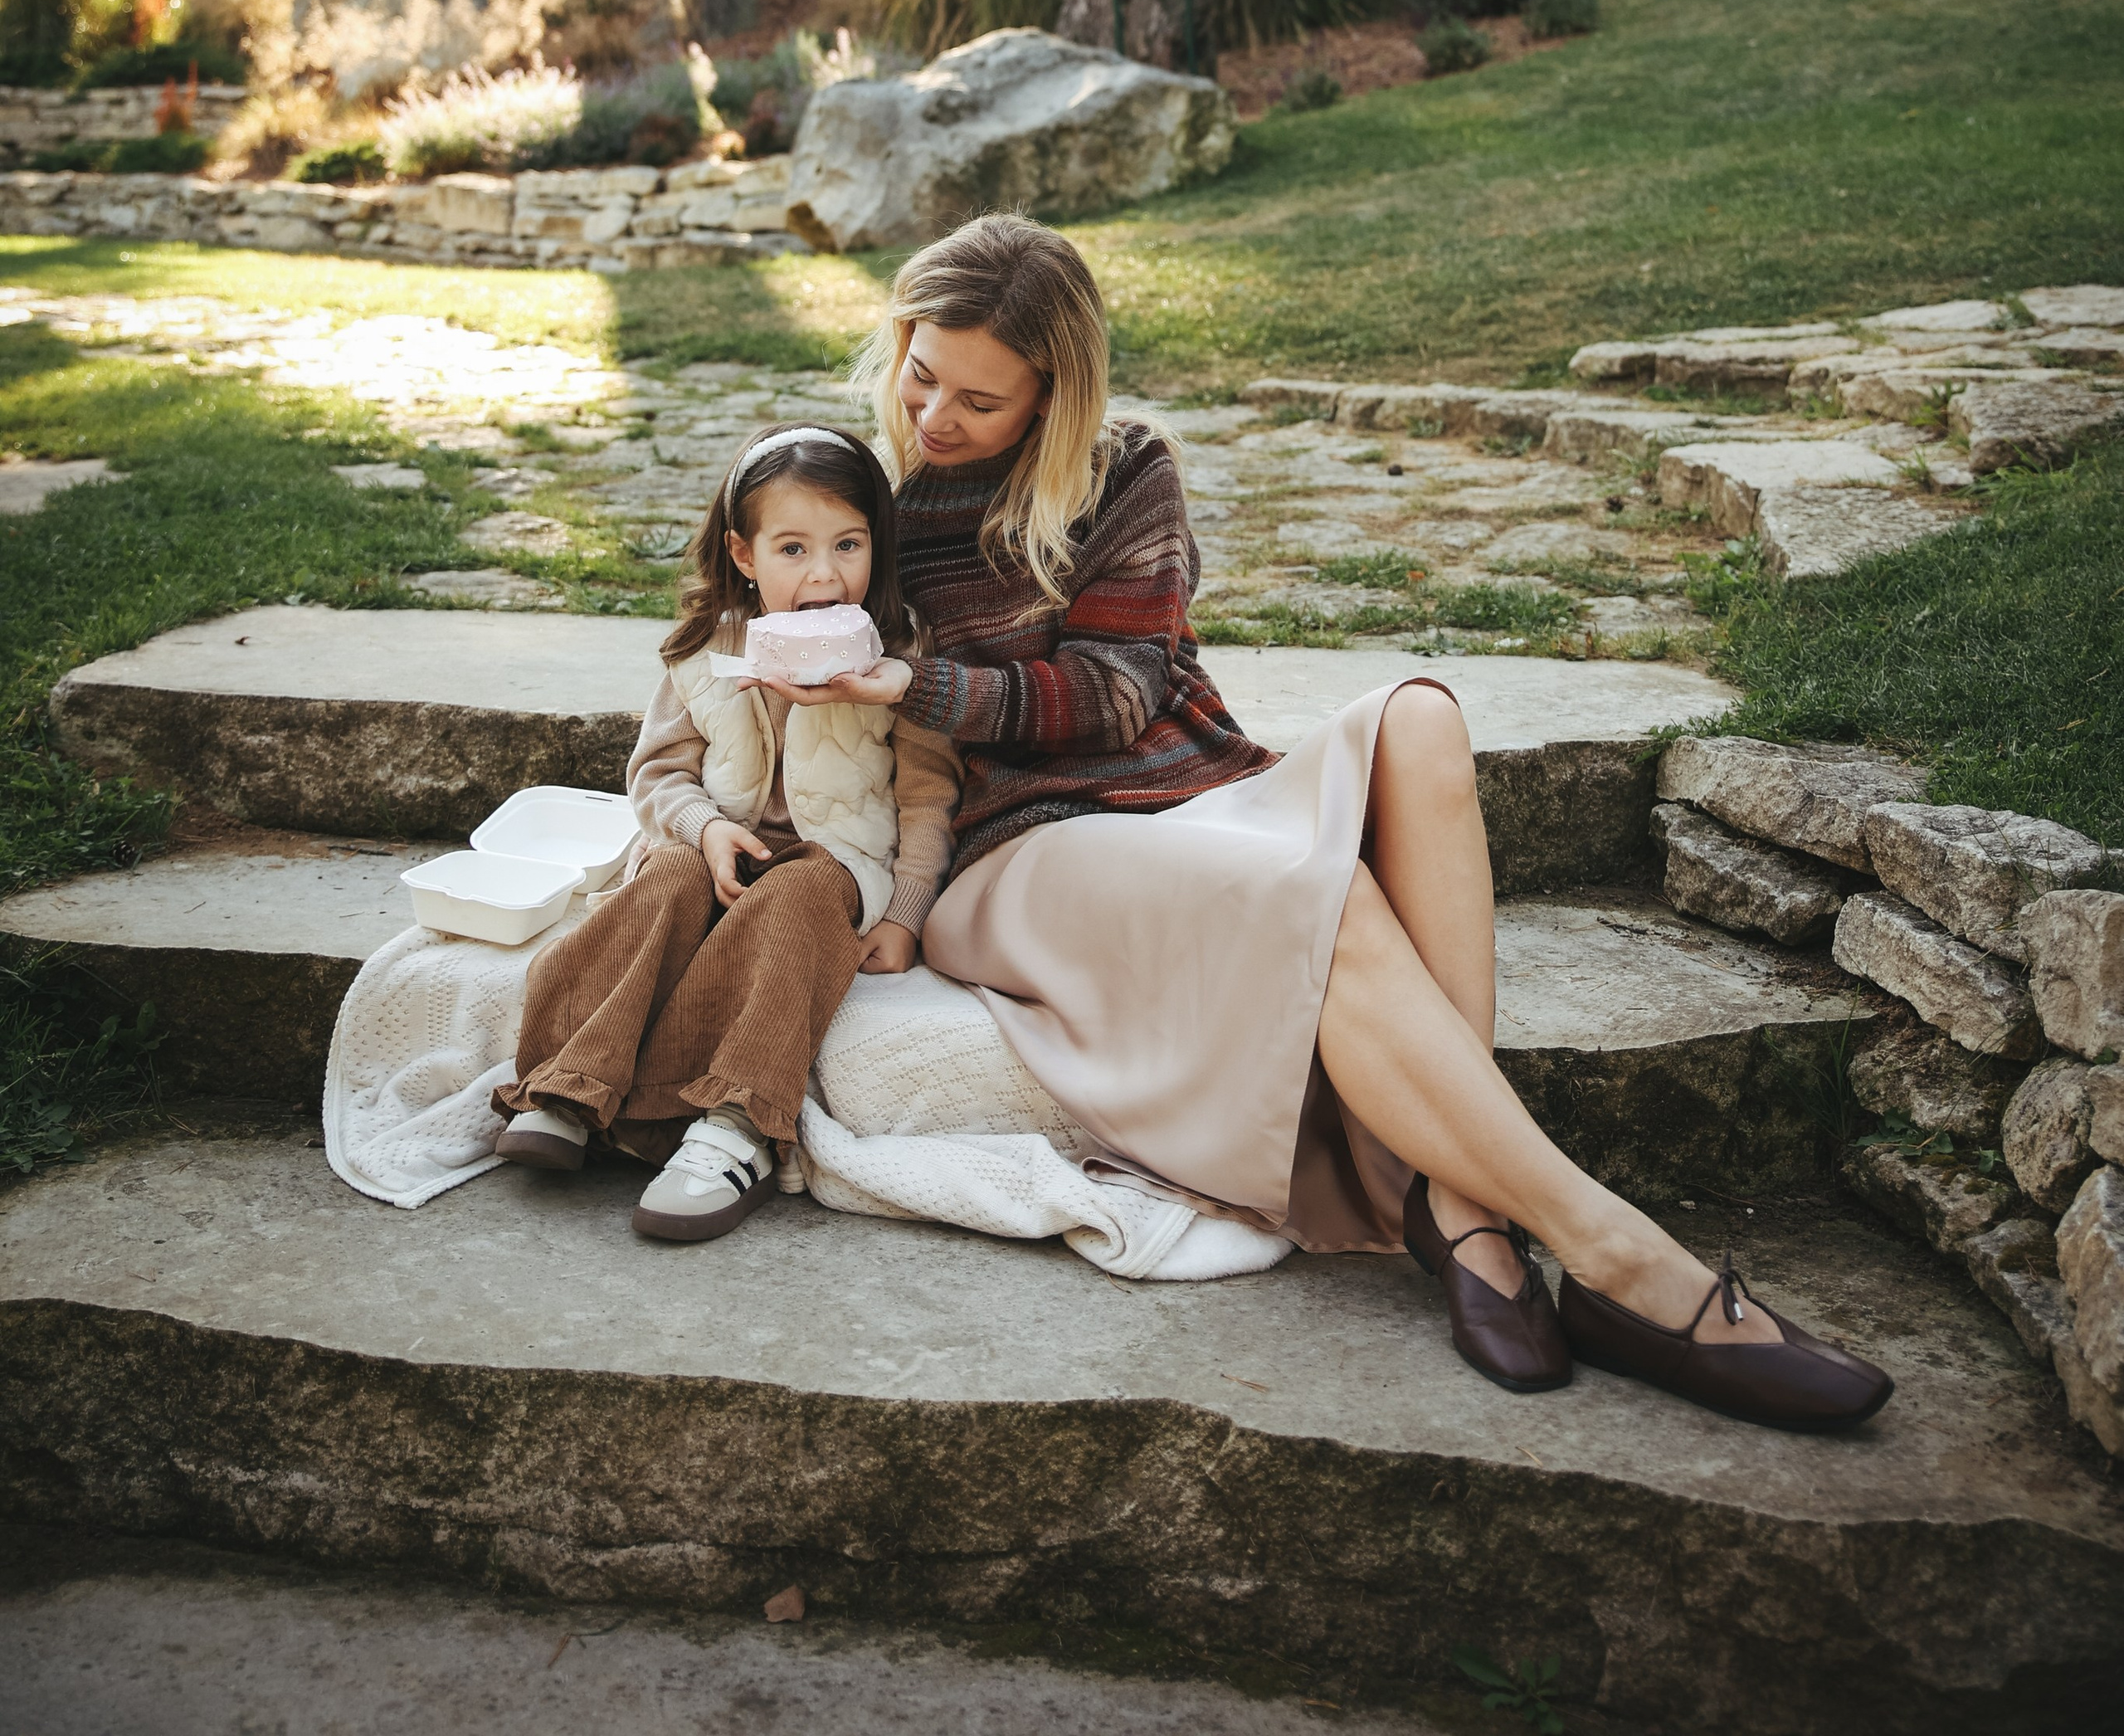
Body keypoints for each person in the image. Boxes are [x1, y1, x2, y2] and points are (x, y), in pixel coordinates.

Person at [777, 212, 1892, 1430]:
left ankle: (1458, 1206)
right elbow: (740, 626)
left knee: (1417, 712)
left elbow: (1118, 693)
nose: (935, 417)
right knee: (1330, 898)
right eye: (920, 374)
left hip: (1192, 793)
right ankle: (1621, 1261)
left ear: (1052, 400)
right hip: (1025, 850)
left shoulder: (1124, 469)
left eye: (980, 404)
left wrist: (919, 679)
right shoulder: (867, 514)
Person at [491, 422, 960, 1244]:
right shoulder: (705, 650)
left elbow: (927, 797)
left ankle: (736, 1124)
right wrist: (703, 830)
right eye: (791, 549)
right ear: (744, 556)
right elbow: (658, 776)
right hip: (716, 853)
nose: (824, 573)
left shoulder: (901, 657)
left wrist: (903, 915)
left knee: (804, 889)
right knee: (664, 875)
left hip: (835, 865)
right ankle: (569, 1083)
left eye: (848, 544)